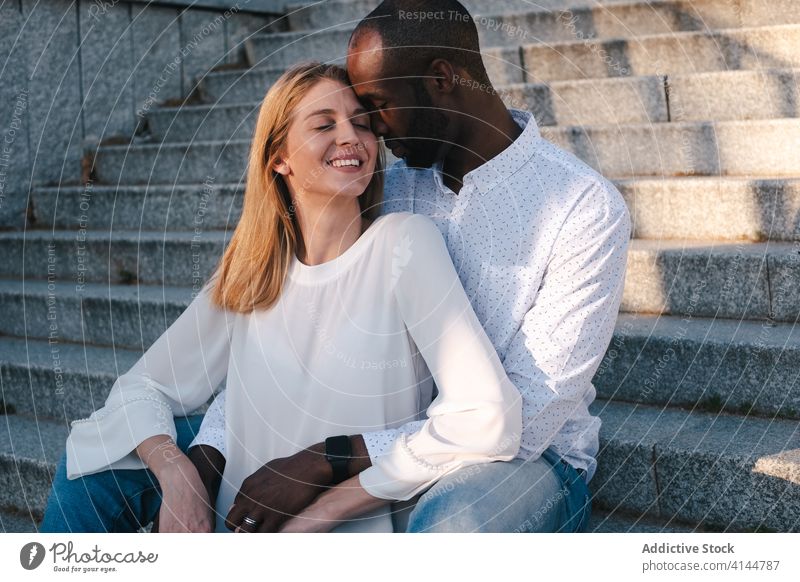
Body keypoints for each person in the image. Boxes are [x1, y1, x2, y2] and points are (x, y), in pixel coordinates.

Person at [190, 0, 631, 533]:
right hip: (358, 433)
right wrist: (202, 461)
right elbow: (284, 335)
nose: (366, 130)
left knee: (452, 532)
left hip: (518, 464)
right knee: (113, 467)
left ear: (442, 79)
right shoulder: (384, 191)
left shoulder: (582, 206)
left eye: (375, 105)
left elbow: (526, 420)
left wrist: (335, 459)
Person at [40, 61, 522, 533]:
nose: (351, 137)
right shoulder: (256, 269)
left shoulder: (403, 244)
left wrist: (327, 505)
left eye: (361, 124)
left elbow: (486, 414)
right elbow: (142, 386)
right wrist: (177, 473)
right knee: (93, 456)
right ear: (279, 158)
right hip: (239, 525)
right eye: (323, 124)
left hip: (343, 532)